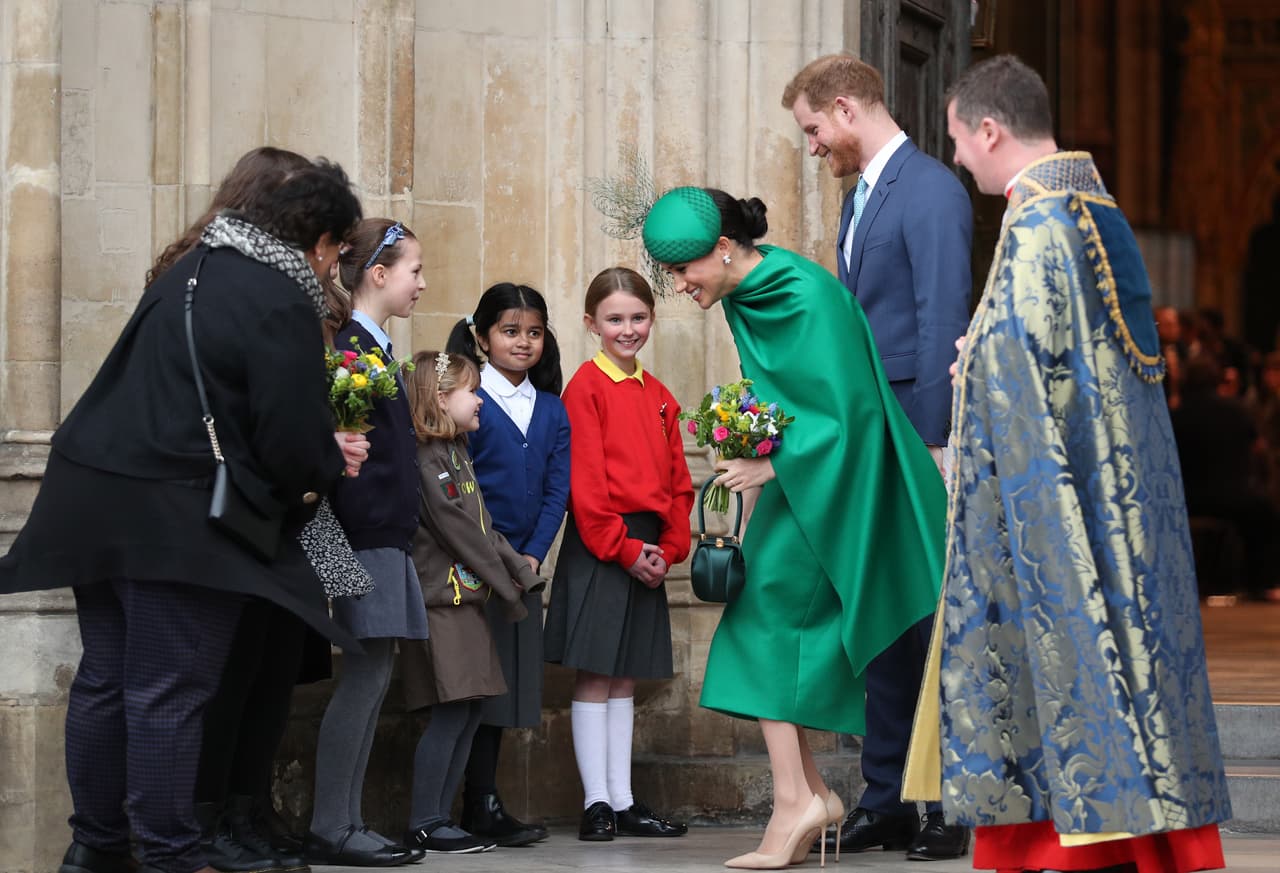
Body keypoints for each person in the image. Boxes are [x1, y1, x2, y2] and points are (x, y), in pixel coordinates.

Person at [904, 54, 1232, 873]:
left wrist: (970, 367)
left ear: (991, 129)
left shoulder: (1038, 226)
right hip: (1114, 499)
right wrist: (980, 350)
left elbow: (1018, 371)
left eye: (957, 139)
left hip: (1055, 502)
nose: (956, 158)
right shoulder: (1093, 204)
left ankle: (1067, 845)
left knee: (1057, 655)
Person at [0, 154, 363, 873]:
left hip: (94, 494)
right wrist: (330, 463)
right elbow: (291, 440)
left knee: (108, 678)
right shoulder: (278, 295)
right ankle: (170, 855)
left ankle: (97, 847)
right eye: (339, 252)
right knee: (170, 688)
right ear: (318, 240)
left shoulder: (190, 268)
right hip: (175, 512)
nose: (334, 268)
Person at [640, 187, 945, 869]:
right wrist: (751, 450)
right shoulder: (753, 293)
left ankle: (797, 801)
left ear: (722, 249)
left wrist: (772, 470)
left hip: (832, 488)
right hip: (801, 487)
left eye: (684, 270)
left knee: (760, 631)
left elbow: (855, 413)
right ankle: (807, 792)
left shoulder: (801, 294)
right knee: (762, 631)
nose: (680, 286)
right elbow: (790, 401)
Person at [782, 53, 972, 861]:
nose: (814, 146)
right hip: (872, 432)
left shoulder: (928, 189)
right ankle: (887, 795)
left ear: (849, 107)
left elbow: (941, 317)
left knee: (931, 619)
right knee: (886, 615)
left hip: (914, 432)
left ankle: (942, 802)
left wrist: (934, 439)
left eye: (815, 128)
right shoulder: (863, 194)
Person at [543, 267, 693, 843]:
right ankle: (596, 802)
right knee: (597, 676)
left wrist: (671, 547)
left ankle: (625, 801)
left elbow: (679, 482)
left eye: (637, 318)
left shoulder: (660, 397)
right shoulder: (585, 387)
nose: (627, 329)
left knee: (625, 678)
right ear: (591, 324)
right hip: (604, 542)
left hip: (649, 546)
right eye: (614, 319)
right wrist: (624, 549)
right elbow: (586, 483)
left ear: (651, 320)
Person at [303, 219, 427, 868]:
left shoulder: (370, 347)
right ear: (377, 275)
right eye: (414, 269)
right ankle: (332, 823)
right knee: (366, 675)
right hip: (362, 537)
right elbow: (350, 462)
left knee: (376, 677)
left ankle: (346, 819)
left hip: (384, 538)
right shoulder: (351, 346)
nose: (422, 283)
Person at [397, 350, 544, 854]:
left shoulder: (455, 450)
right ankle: (425, 819)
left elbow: (485, 527)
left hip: (465, 602)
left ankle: (439, 817)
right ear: (441, 398)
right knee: (450, 711)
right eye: (472, 391)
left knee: (470, 711)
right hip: (443, 603)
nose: (480, 400)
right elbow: (459, 531)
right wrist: (509, 587)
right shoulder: (426, 456)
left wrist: (520, 574)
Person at [447, 283, 571, 847]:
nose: (523, 342)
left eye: (534, 332)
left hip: (523, 569)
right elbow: (461, 489)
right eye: (510, 331)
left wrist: (531, 554)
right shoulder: (468, 402)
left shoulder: (551, 409)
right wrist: (495, 554)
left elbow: (556, 490)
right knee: (472, 683)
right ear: (482, 336)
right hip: (474, 564)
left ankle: (485, 798)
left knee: (507, 687)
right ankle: (469, 800)